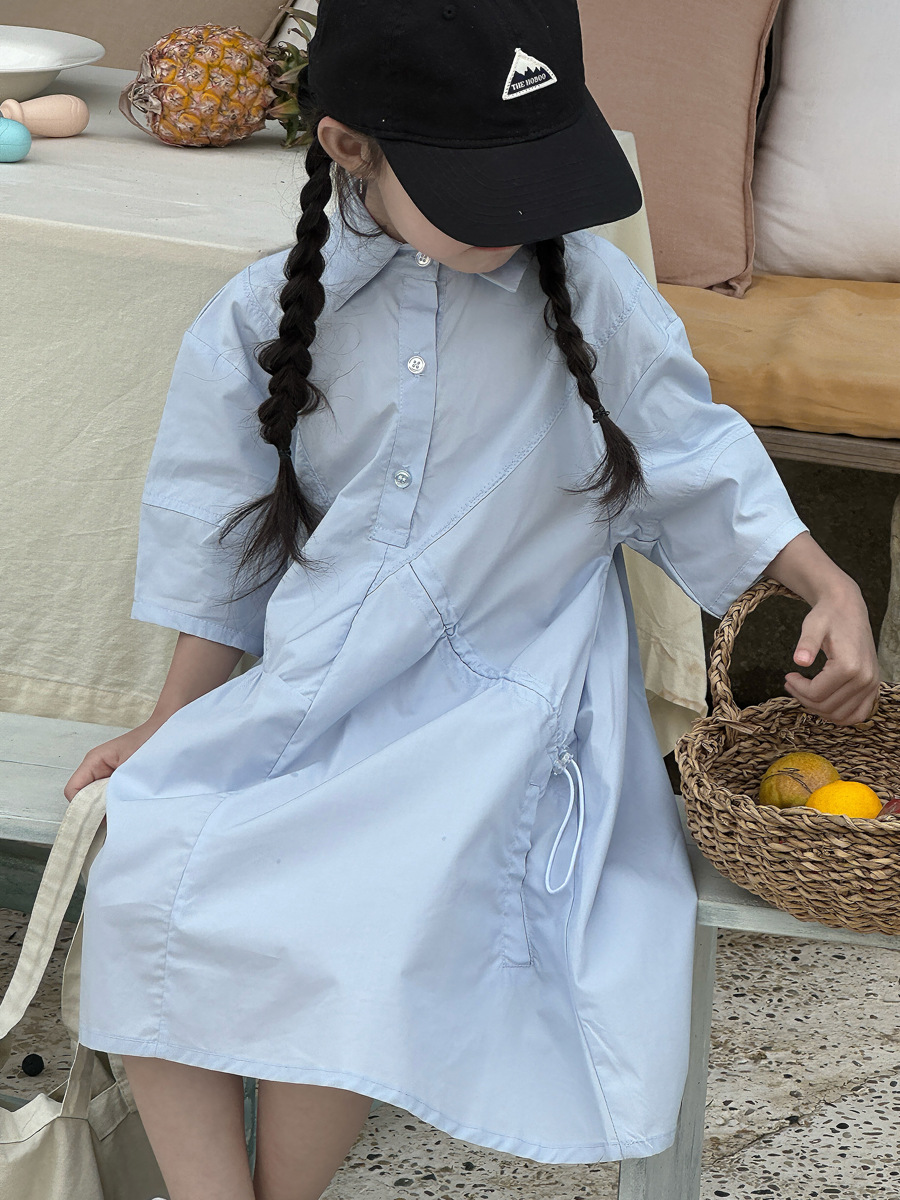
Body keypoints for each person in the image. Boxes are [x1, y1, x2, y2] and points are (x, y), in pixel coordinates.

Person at [64, 2, 880, 1198]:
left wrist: (824, 578)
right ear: (348, 146)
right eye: (476, 185)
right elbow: (215, 540)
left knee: (354, 913)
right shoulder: (262, 315)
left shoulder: (590, 295)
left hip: (516, 699)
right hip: (326, 680)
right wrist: (170, 722)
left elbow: (694, 455)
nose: (515, 214)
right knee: (147, 869)